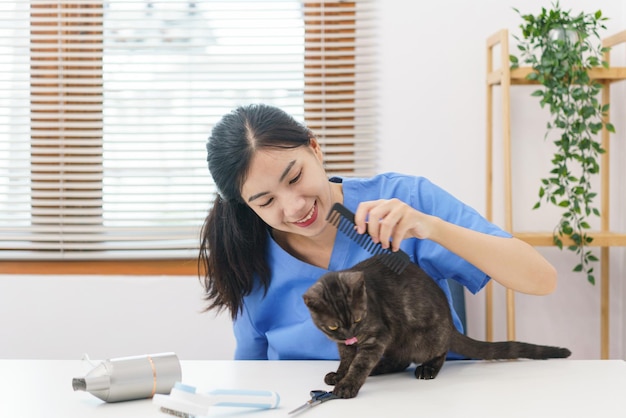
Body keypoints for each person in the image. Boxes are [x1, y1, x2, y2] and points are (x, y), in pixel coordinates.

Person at [199, 103, 557, 361]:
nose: (294, 207)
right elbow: (250, 375)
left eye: (295, 177)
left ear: (315, 147)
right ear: (246, 206)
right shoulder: (246, 257)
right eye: (265, 202)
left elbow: (541, 279)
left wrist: (431, 227)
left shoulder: (406, 198)